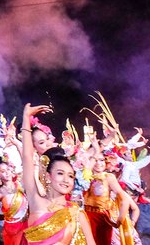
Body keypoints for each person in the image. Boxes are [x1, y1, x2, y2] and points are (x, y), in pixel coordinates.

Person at [19, 104, 94, 245]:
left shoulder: (76, 213)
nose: (66, 179)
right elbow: (27, 157)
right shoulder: (36, 201)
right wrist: (26, 118)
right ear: (48, 176)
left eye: (70, 176)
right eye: (60, 173)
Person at [0, 155, 28, 245]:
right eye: (3, 171)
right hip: (11, 231)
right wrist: (8, 217)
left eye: (8, 169)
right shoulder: (0, 193)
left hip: (26, 227)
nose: (7, 173)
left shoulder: (20, 185)